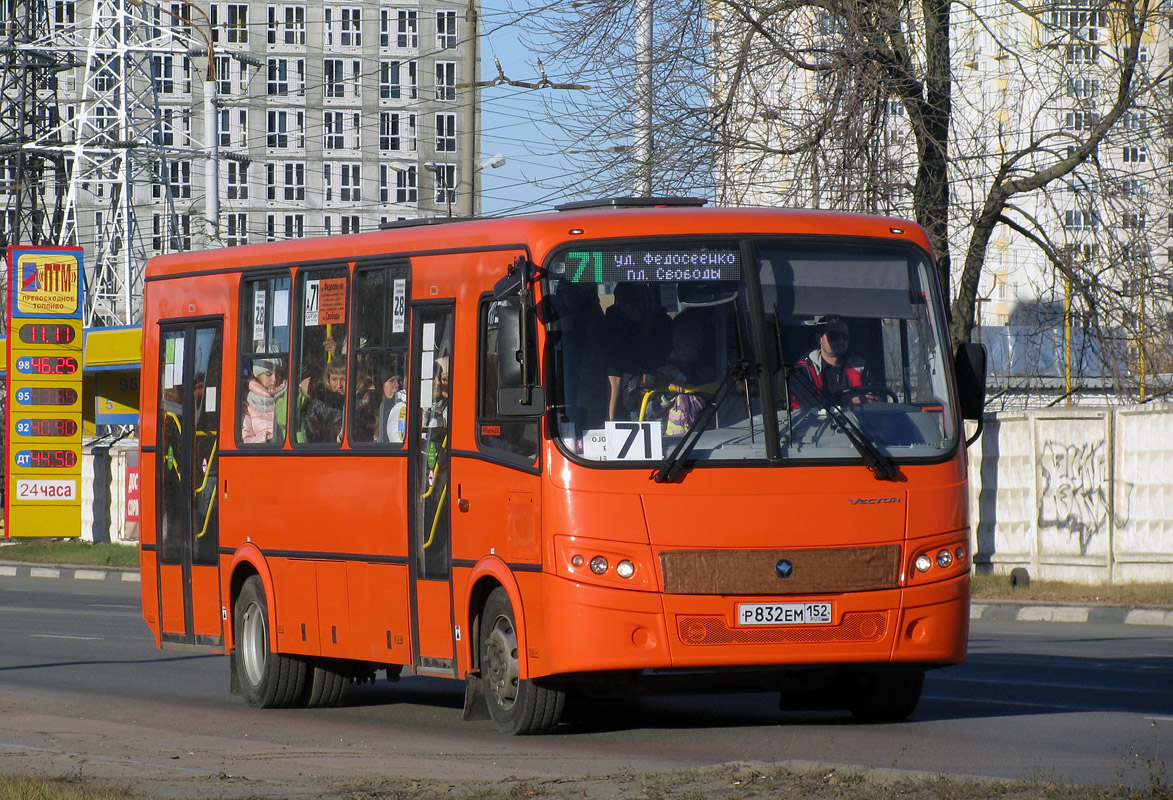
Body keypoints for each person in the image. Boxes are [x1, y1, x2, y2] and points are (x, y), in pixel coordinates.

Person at [603, 282, 673, 419]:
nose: (631, 309)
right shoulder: (614, 328)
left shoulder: (663, 325)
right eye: (623, 304)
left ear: (647, 301)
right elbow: (614, 375)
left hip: (664, 400)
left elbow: (675, 361)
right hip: (628, 403)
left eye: (635, 303)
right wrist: (610, 419)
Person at [795, 314, 875, 404]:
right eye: (833, 336)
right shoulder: (803, 370)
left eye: (845, 336)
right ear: (819, 339)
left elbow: (874, 393)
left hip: (856, 418)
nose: (840, 341)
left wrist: (875, 399)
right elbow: (809, 404)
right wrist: (846, 402)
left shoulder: (862, 367)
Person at [241, 358, 287, 444]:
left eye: (278, 375)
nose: (274, 379)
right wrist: (267, 438)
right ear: (257, 376)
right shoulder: (247, 405)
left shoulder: (288, 396)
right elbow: (246, 440)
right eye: (268, 374)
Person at [303, 360, 346, 443]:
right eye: (334, 379)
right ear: (328, 380)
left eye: (344, 379)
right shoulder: (320, 405)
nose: (339, 385)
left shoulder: (359, 401)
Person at [378, 370, 407, 443]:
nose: (397, 385)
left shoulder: (403, 407)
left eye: (399, 380)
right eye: (391, 381)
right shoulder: (371, 410)